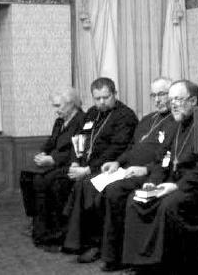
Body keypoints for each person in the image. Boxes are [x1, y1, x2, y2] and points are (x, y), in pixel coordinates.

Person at [121, 80, 198, 275]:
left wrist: (176, 186)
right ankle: (141, 264)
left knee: (167, 206)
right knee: (135, 200)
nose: (173, 105)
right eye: (171, 100)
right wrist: (151, 183)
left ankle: (164, 266)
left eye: (178, 99)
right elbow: (161, 160)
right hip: (170, 183)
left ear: (194, 100)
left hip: (193, 189)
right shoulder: (174, 126)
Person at [98, 77, 177, 272]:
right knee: (94, 185)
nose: (157, 100)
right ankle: (99, 246)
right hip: (129, 169)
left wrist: (146, 169)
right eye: (154, 95)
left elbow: (167, 158)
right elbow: (132, 147)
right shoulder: (147, 120)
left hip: (151, 173)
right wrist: (117, 162)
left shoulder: (175, 122)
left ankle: (116, 256)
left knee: (114, 191)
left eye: (162, 94)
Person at [63, 77, 138, 263]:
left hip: (109, 166)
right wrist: (74, 162)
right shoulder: (91, 113)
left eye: (106, 97)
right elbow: (78, 139)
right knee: (62, 180)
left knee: (86, 186)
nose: (102, 102)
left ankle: (92, 243)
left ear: (115, 94)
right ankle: (72, 238)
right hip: (85, 164)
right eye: (97, 98)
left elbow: (116, 149)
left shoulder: (125, 116)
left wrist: (88, 169)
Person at [19, 87, 85, 250]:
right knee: (26, 176)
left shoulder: (82, 120)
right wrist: (42, 153)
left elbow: (77, 151)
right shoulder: (60, 121)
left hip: (69, 164)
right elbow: (51, 142)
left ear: (71, 104)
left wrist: (53, 159)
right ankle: (37, 220)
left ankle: (50, 231)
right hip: (53, 162)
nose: (56, 110)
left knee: (43, 181)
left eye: (58, 106)